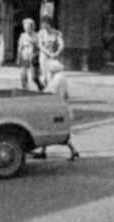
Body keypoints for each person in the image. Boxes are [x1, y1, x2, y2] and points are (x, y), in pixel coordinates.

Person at [34, 16, 79, 161]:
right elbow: (67, 95)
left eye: (45, 23)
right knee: (50, 129)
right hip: (58, 105)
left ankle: (71, 150)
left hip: (55, 106)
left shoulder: (56, 80)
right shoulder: (61, 77)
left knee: (51, 129)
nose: (44, 26)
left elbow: (49, 92)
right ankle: (45, 150)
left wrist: (55, 53)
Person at [16, 17, 42, 90]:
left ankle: (41, 86)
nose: (26, 28)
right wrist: (18, 57)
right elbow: (20, 47)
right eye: (24, 26)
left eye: (27, 27)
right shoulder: (22, 36)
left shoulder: (36, 35)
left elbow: (40, 47)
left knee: (34, 77)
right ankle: (25, 89)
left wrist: (34, 45)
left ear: (32, 27)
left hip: (33, 57)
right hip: (24, 57)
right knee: (23, 75)